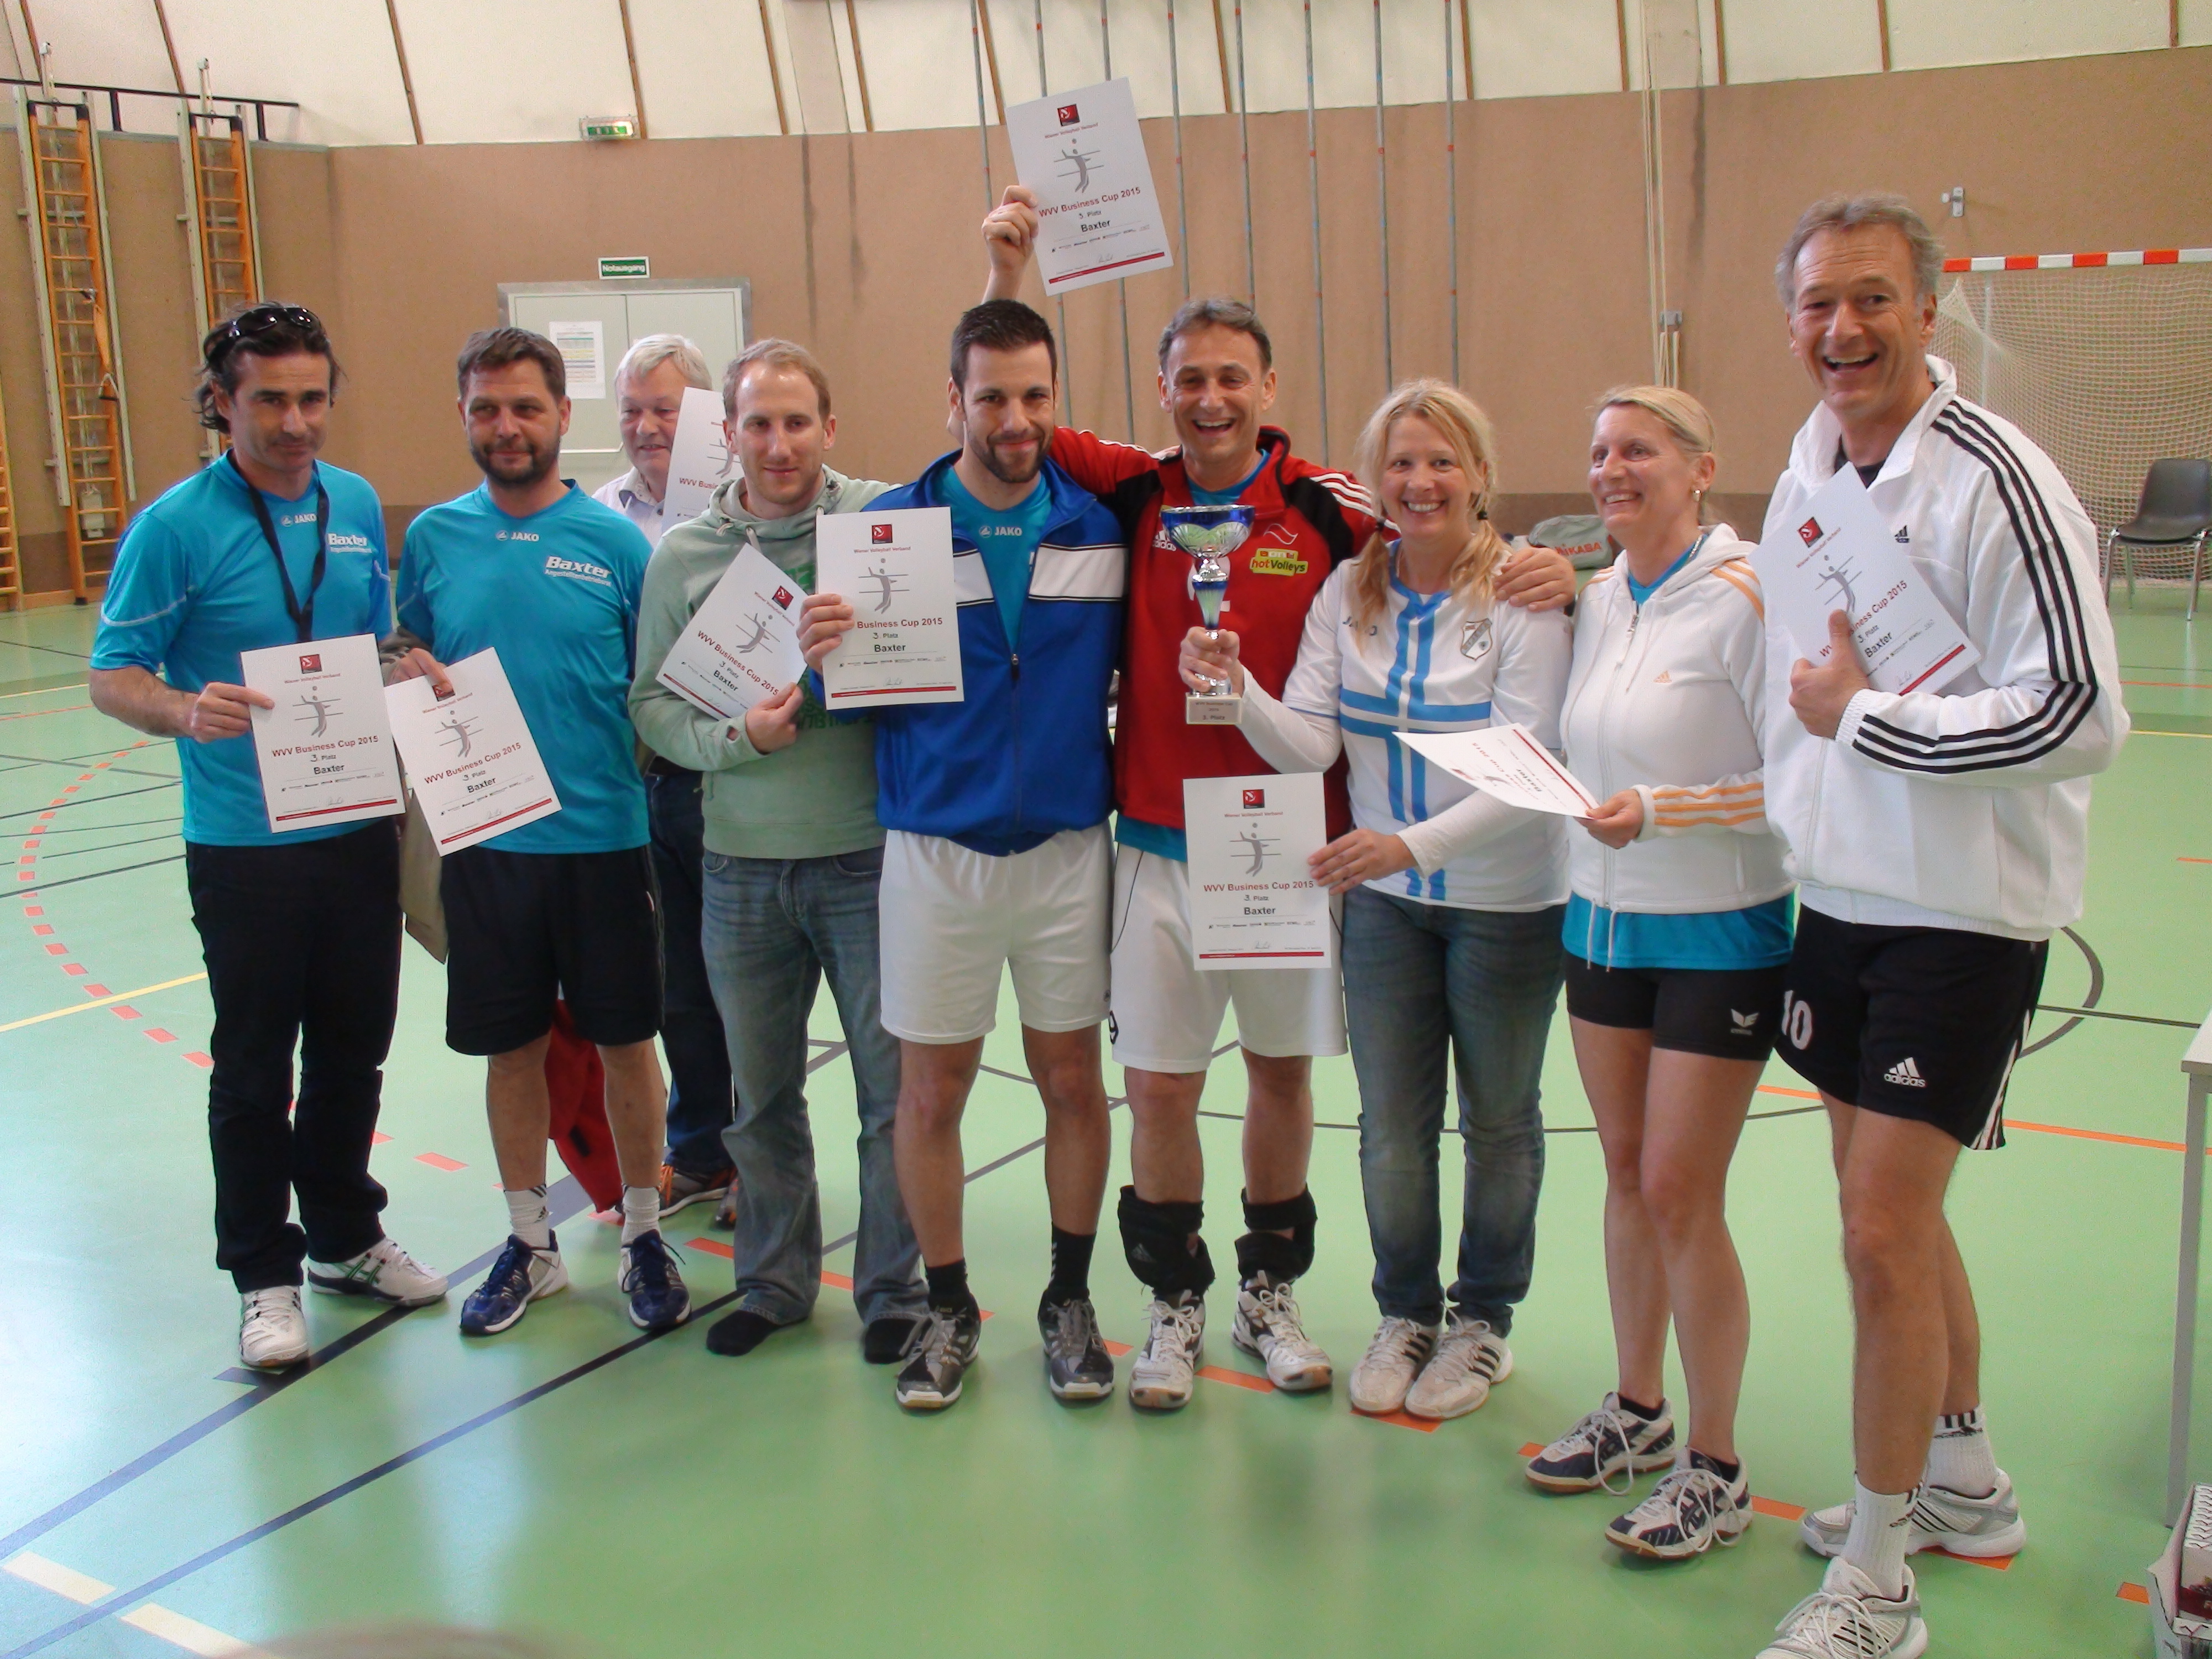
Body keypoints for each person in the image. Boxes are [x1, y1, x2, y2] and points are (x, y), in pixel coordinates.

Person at [980, 189, 1578, 1410]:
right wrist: (1007, 272)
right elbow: (1010, 408)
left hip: (1293, 851)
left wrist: (1554, 567)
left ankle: (1268, 1290)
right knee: (1159, 1087)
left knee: (1281, 1079)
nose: (1211, 399)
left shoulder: (1327, 505)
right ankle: (1173, 1301)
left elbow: (1443, 530)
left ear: (1268, 386)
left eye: (1231, 378)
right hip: (1157, 845)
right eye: (1189, 379)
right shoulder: (1134, 487)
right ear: (1162, 390)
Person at [1753, 195, 2127, 1659]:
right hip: (1839, 900)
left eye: (1871, 299)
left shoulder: (1998, 479)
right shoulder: (1806, 469)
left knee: (1876, 1233)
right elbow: (1789, 677)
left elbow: (2077, 714)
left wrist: (1868, 722)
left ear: (1928, 308)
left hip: (1960, 918)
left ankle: (1878, 1583)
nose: (1842, 329)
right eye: (1817, 303)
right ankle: (1961, 1479)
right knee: (1891, 1217)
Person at [1180, 382, 1571, 1425]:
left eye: (1443, 461)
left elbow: (1529, 767)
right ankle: (1406, 1313)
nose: (1421, 481)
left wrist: (1409, 845)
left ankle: (1482, 1321)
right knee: (1392, 1127)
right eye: (1401, 462)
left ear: (1479, 475)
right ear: (1377, 480)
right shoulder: (1348, 592)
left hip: (1507, 904)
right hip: (1387, 909)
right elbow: (1312, 743)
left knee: (1500, 1122)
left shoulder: (1523, 595)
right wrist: (1236, 690)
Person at [89, 302, 445, 1370]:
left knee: (353, 1049)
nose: (296, 423)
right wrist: (181, 708)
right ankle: (262, 1274)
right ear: (221, 402)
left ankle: (344, 1236)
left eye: (312, 399)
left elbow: (367, 642)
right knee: (253, 1066)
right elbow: (112, 675)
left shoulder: (353, 503)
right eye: (271, 401)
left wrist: (405, 663)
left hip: (356, 825)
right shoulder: (174, 528)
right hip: (245, 845)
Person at [800, 300, 1124, 1412]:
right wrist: (819, 656)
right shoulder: (886, 533)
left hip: (1067, 851)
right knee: (929, 1093)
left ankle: (1068, 1301)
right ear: (953, 402)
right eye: (991, 396)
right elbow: (846, 693)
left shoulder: (1099, 529)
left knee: (1072, 1082)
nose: (1015, 417)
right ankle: (947, 1308)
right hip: (934, 854)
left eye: (1034, 395)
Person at [1521, 387, 1787, 1562]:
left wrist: (1663, 810)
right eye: (1598, 452)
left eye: (1638, 449)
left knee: (1681, 1190)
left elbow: (1799, 779)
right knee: (1626, 1175)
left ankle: (1716, 1469)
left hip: (1718, 930)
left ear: (1700, 467)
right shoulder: (1596, 598)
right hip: (1601, 926)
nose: (1611, 469)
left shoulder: (1750, 592)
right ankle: (1637, 1410)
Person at [628, 337, 927, 1365]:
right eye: (758, 423)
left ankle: (894, 1289)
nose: (780, 443)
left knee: (893, 1097)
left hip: (867, 863)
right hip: (740, 869)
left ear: (830, 429)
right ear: (729, 434)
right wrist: (738, 739)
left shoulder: (885, 522)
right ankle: (774, 1282)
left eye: (798, 422)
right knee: (759, 1101)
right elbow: (651, 707)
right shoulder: (685, 557)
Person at [390, 327, 690, 1339]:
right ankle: (530, 1245)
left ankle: (643, 1233)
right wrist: (402, 665)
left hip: (604, 844)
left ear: (563, 415)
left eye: (526, 407)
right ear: (464, 417)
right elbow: (408, 646)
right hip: (488, 851)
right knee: (510, 1052)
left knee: (626, 1046)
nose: (506, 426)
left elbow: (657, 688)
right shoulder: (436, 538)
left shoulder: (618, 545)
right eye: (486, 409)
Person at [593, 333, 740, 1223]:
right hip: (644, 784)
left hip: (735, 777)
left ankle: (762, 1158)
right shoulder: (599, 522)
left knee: (749, 984)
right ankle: (699, 1152)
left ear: (709, 422)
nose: (649, 428)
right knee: (677, 983)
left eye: (667, 411)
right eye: (634, 411)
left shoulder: (745, 508)